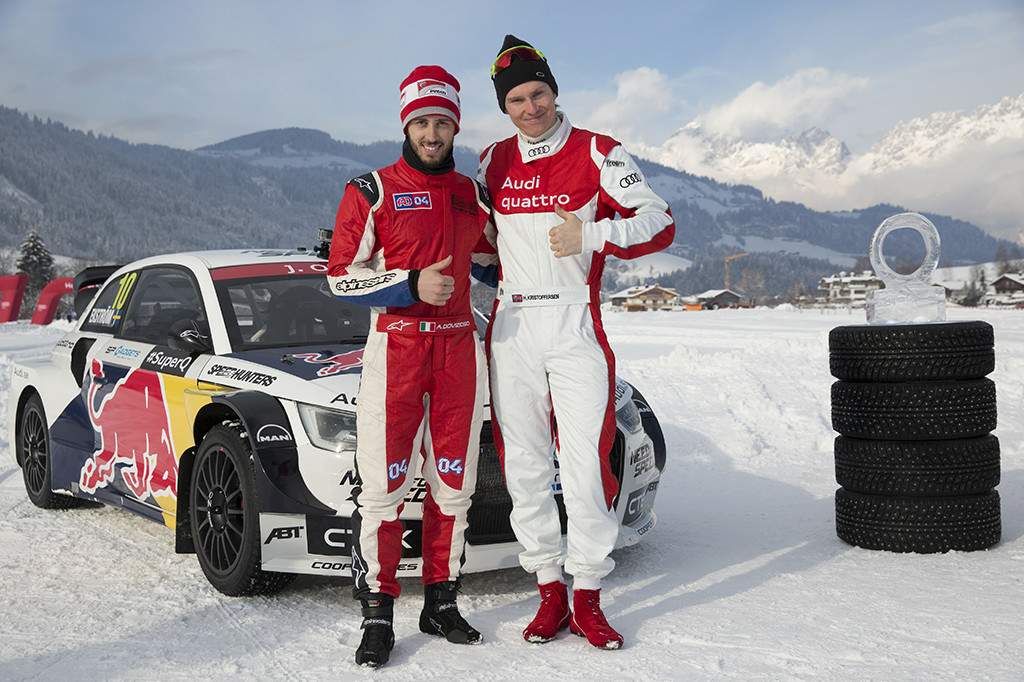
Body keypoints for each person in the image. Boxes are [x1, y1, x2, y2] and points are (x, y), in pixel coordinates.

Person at [478, 35, 675, 650]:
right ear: (505, 107)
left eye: (538, 93)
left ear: (554, 91)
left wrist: (591, 234)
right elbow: (482, 243)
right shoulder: (491, 162)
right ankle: (548, 592)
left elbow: (659, 221)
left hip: (573, 324)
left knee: (585, 464)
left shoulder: (598, 151)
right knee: (526, 466)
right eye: (517, 99)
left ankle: (588, 591)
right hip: (510, 327)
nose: (531, 107)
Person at [327, 64, 498, 668]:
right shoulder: (371, 189)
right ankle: (378, 613)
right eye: (422, 122)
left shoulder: (469, 193)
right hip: (395, 349)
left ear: (455, 128)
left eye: (442, 123)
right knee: (384, 487)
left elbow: (489, 262)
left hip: (457, 349)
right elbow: (341, 280)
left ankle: (442, 602)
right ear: (407, 124)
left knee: (455, 485)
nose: (432, 134)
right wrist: (406, 284)